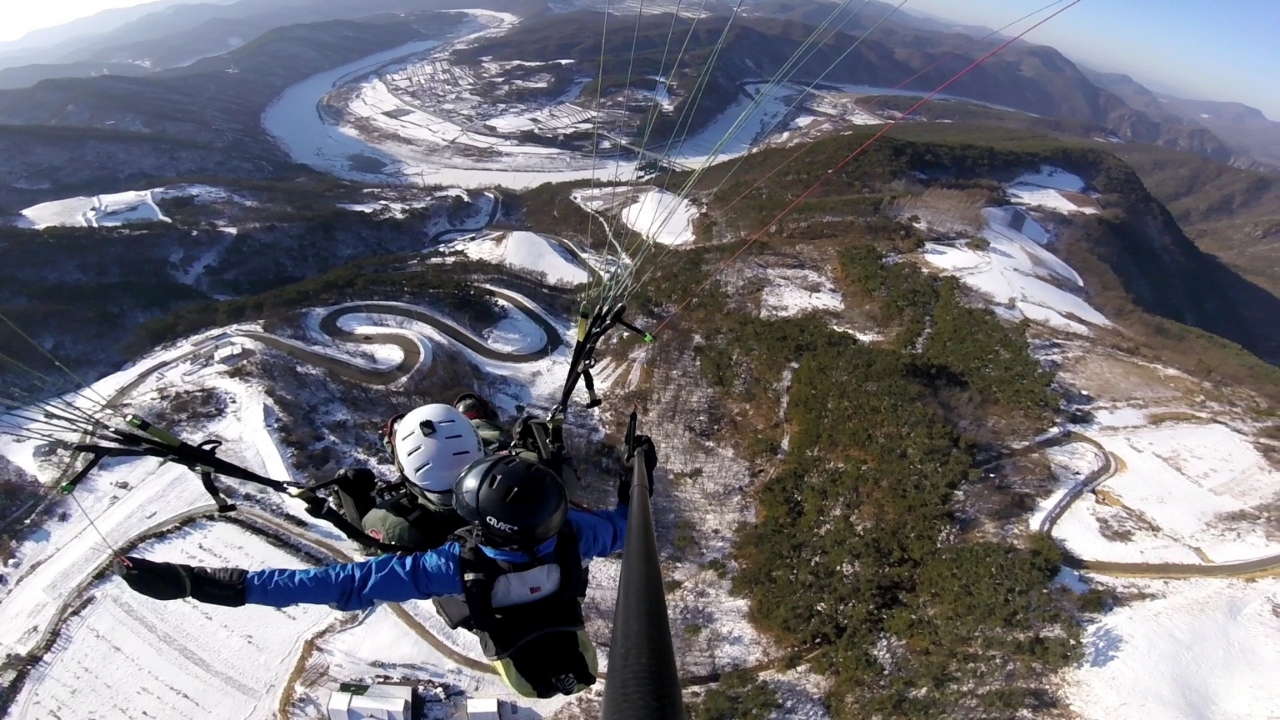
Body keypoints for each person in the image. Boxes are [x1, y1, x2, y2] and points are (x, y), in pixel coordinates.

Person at [114, 437, 658, 699]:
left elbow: (337, 585)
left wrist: (206, 584)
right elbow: (625, 524)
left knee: (388, 539)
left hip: (520, 669)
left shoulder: (451, 564)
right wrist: (638, 480)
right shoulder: (577, 536)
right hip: (571, 647)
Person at [325, 394, 508, 552]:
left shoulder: (393, 522)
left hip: (435, 541)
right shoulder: (521, 482)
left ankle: (402, 445)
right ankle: (479, 426)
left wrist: (351, 501)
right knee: (493, 441)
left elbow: (368, 542)